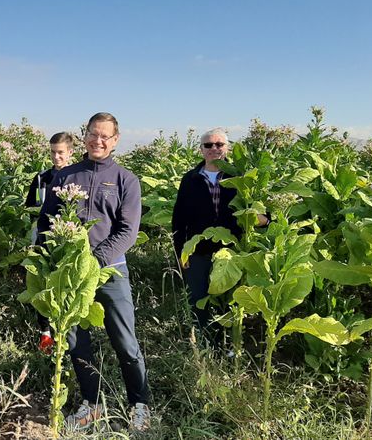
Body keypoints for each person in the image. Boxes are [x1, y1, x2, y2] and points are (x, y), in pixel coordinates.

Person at [37, 113, 151, 431]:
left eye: (105, 136)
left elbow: (128, 231)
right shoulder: (66, 176)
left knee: (124, 340)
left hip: (109, 271)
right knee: (76, 341)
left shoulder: (126, 180)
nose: (97, 141)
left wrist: (95, 261)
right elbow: (46, 221)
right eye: (92, 134)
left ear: (115, 140)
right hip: (69, 274)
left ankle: (139, 404)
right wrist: (47, 258)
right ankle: (93, 403)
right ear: (84, 135)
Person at [171, 128, 267, 345]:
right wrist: (180, 253)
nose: (214, 148)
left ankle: (232, 345)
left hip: (234, 253)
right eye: (209, 145)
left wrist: (264, 220)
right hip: (198, 251)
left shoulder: (242, 178)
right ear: (201, 150)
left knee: (233, 301)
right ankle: (207, 347)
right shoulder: (190, 179)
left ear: (228, 148)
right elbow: (179, 220)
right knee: (199, 300)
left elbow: (264, 212)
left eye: (219, 144)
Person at [25, 132, 74, 354]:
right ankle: (45, 332)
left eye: (60, 153)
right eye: (53, 152)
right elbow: (29, 206)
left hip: (68, 238)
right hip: (44, 236)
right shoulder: (41, 177)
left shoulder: (77, 177)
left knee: (66, 283)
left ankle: (66, 332)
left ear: (70, 152)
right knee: (43, 282)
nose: (56, 157)